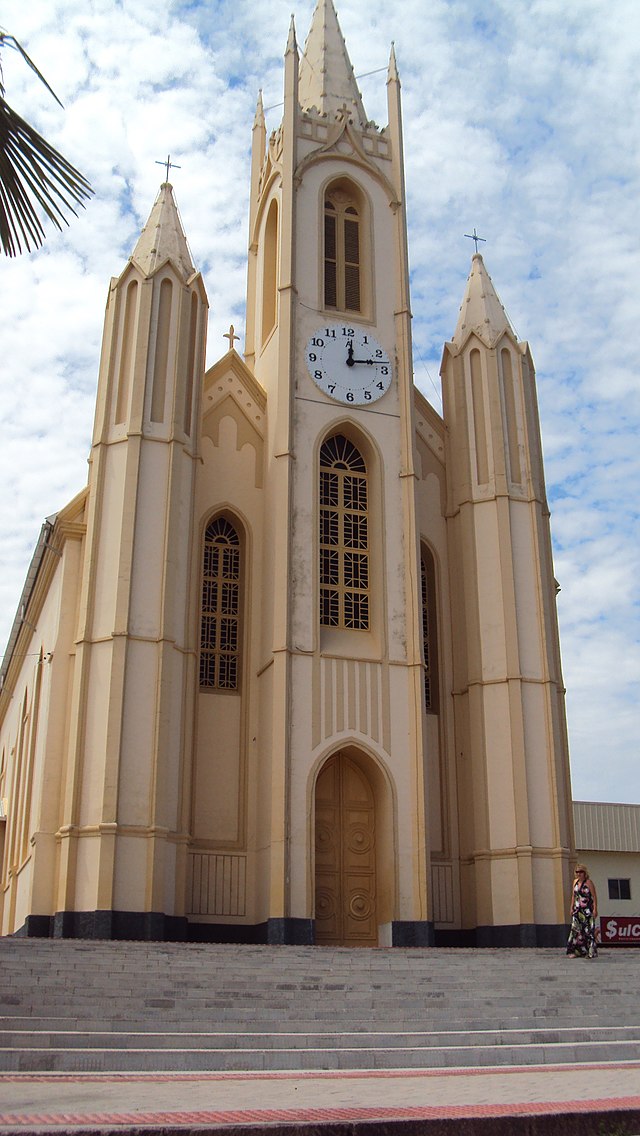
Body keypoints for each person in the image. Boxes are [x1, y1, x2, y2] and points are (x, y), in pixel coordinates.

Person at [566, 864, 598, 958]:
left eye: (581, 872)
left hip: (587, 910)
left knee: (588, 931)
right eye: (577, 872)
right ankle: (576, 951)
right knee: (575, 930)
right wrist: (571, 907)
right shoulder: (575, 882)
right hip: (577, 909)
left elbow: (594, 897)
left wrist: (595, 909)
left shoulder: (588, 883)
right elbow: (573, 896)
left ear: (585, 873)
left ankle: (591, 952)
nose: (579, 874)